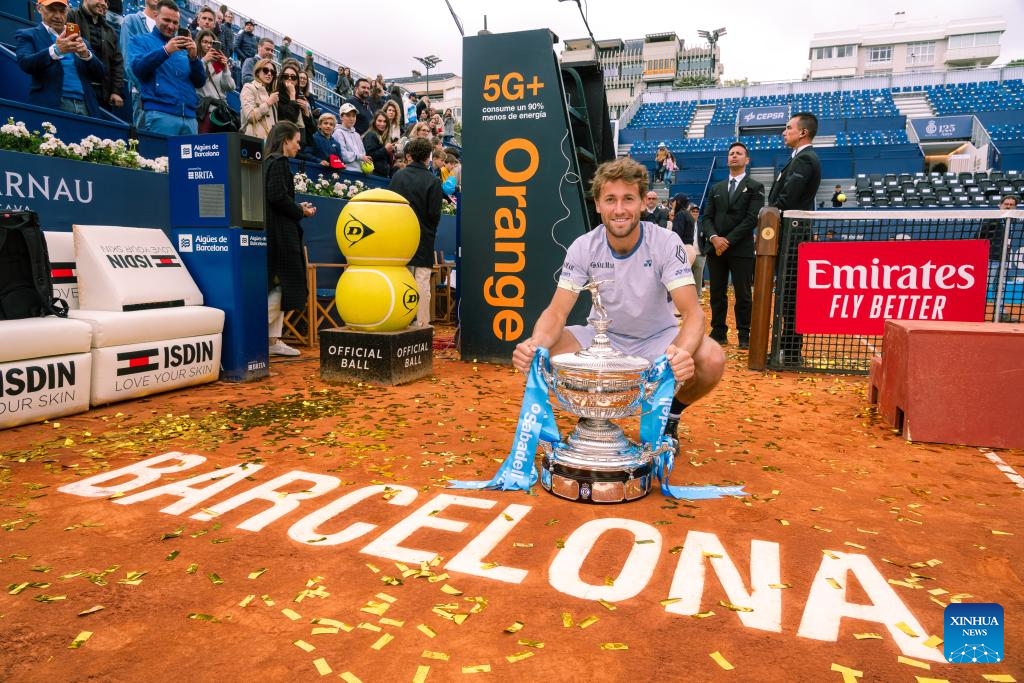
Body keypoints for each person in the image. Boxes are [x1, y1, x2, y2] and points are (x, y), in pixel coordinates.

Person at [511, 157, 726, 445]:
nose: (620, 209)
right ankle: (593, 416)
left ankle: (671, 414)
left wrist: (681, 354)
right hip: (602, 339)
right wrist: (534, 345)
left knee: (711, 358)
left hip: (658, 339)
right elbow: (557, 311)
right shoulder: (583, 246)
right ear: (598, 204)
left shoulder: (665, 242)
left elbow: (693, 314)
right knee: (540, 355)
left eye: (628, 199)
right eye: (610, 200)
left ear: (641, 203)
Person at [768, 112, 822, 367]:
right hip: (790, 234)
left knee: (790, 294)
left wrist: (769, 214)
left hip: (793, 235)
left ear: (803, 132)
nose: (783, 132)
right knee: (787, 292)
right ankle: (787, 348)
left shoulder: (805, 160)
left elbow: (787, 198)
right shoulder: (799, 159)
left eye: (788, 128)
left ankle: (790, 350)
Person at [701, 141, 766, 349]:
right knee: (716, 293)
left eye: (738, 153)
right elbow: (706, 217)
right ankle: (718, 331)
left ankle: (744, 333)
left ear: (746, 160)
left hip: (741, 249)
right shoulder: (716, 188)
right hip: (715, 249)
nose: (734, 156)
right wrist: (714, 238)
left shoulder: (756, 187)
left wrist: (726, 241)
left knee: (743, 294)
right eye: (731, 153)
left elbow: (751, 219)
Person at [264, 121, 316, 357]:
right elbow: (276, 197)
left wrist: (296, 207)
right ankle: (254, 330)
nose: (298, 146)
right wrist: (300, 211)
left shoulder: (268, 162)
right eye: (296, 141)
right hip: (280, 236)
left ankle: (272, 340)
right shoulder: (279, 162)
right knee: (283, 287)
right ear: (286, 140)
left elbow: (277, 198)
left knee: (278, 286)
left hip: (277, 232)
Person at [16, 0, 107, 118]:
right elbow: (25, 63)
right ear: (39, 8)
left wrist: (86, 55)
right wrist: (56, 50)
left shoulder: (82, 42)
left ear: (68, 10)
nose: (58, 16)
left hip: (86, 106)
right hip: (50, 104)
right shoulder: (28, 35)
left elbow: (101, 73)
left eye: (62, 11)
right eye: (52, 10)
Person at [128, 0, 205, 135]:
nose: (171, 26)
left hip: (189, 118)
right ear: (155, 15)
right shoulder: (139, 40)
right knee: (158, 156)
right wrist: (165, 51)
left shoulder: (183, 48)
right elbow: (138, 70)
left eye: (175, 22)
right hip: (160, 114)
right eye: (167, 20)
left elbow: (200, 82)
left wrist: (194, 59)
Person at [389, 138, 443, 327]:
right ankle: (421, 325)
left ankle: (398, 321)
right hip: (424, 236)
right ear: (428, 156)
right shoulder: (433, 181)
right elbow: (435, 214)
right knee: (421, 281)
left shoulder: (397, 177)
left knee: (399, 279)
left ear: (409, 155)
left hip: (399, 235)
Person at [67, 0, 124, 112]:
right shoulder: (71, 16)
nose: (104, 4)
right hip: (79, 90)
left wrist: (116, 91)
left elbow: (117, 63)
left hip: (103, 93)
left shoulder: (110, 30)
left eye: (107, 2)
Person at [978, 194, 1019, 321]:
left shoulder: (1011, 221)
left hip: (1003, 259)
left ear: (1015, 207)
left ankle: (1001, 314)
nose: (1008, 207)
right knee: (983, 286)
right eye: (1006, 204)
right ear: (1000, 205)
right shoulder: (992, 220)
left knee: (999, 288)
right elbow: (979, 237)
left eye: (1011, 205)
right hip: (991, 259)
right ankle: (971, 311)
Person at [119, 0, 158, 127]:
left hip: (165, 95)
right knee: (144, 138)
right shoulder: (131, 20)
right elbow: (128, 60)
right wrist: (145, 90)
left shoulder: (168, 25)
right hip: (142, 91)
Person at [276, 60, 318, 162]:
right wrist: (291, 96)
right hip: (283, 144)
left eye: (293, 77)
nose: (290, 79)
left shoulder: (301, 97)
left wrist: (307, 113)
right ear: (281, 78)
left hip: (300, 146)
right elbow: (290, 119)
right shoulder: (277, 96)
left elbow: (313, 130)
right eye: (286, 76)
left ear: (296, 81)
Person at [194, 28, 233, 133]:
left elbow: (230, 86)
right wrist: (204, 61)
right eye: (205, 42)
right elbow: (195, 79)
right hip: (204, 112)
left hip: (219, 113)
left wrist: (225, 69)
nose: (208, 45)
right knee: (205, 145)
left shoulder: (218, 63)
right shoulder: (195, 61)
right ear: (199, 43)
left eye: (211, 43)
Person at [669, 194, 703, 293]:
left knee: (680, 283)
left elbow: (677, 236)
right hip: (689, 249)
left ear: (678, 202)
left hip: (683, 250)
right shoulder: (687, 214)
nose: (672, 204)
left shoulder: (680, 214)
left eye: (674, 201)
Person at [240, 57, 277, 140]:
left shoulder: (272, 92)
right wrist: (268, 104)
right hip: (255, 141)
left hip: (271, 142)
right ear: (257, 72)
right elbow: (250, 116)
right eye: (265, 70)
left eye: (272, 72)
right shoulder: (249, 87)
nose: (269, 74)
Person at [332, 102, 372, 170]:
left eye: (353, 116)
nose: (351, 118)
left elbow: (363, 154)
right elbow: (343, 155)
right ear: (341, 117)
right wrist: (360, 157)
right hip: (346, 173)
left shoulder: (357, 135)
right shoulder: (338, 132)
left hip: (360, 173)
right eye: (348, 115)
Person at [362, 110, 393, 177]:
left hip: (381, 175)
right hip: (373, 175)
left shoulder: (382, 137)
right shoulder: (371, 135)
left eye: (385, 121)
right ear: (374, 122)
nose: (382, 124)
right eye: (379, 121)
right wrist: (385, 149)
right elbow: (369, 155)